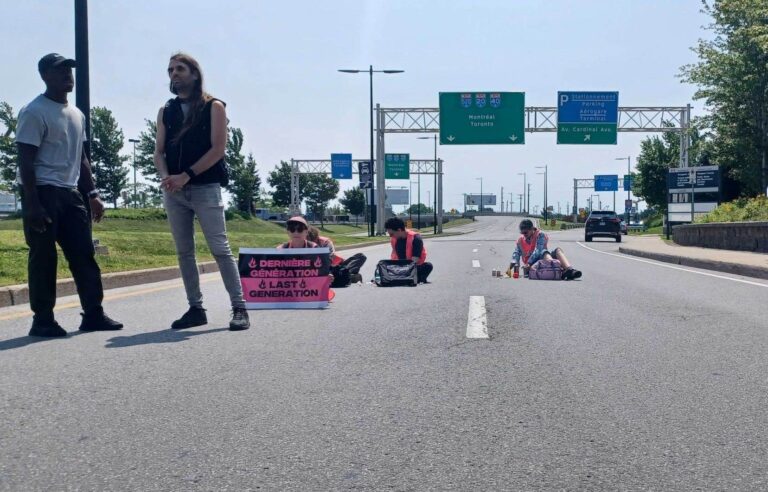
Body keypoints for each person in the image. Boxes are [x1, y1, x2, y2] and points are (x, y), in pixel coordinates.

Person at [15, 53, 123, 337]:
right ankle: (43, 320)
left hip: (71, 193)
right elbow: (25, 160)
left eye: (69, 70)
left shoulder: (77, 114)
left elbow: (82, 158)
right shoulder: (34, 111)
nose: (67, 75)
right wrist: (33, 204)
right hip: (42, 193)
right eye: (60, 70)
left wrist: (93, 193)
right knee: (43, 257)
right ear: (44, 76)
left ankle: (94, 314)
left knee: (84, 256)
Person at [154, 53, 249, 331]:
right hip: (174, 191)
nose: (174, 73)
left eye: (180, 69)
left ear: (194, 74)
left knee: (220, 249)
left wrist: (187, 175)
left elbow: (218, 149)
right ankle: (195, 308)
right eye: (170, 69)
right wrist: (166, 177)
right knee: (185, 252)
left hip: (205, 188)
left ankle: (239, 307)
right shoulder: (166, 111)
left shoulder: (214, 106)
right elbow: (158, 152)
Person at [508, 219, 582, 280]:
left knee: (556, 250)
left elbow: (538, 250)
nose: (524, 234)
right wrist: (510, 268)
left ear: (532, 229)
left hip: (542, 260)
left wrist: (528, 263)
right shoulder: (520, 240)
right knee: (544, 252)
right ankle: (557, 271)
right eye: (522, 232)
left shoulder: (540, 235)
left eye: (525, 232)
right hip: (533, 266)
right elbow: (516, 254)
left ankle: (569, 270)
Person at [384, 217, 433, 283]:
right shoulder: (394, 239)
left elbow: (415, 260)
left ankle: (410, 278)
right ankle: (410, 279)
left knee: (428, 266)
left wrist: (404, 270)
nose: (391, 236)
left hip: (412, 268)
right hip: (399, 268)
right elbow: (394, 257)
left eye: (391, 234)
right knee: (383, 267)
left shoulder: (416, 238)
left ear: (399, 230)